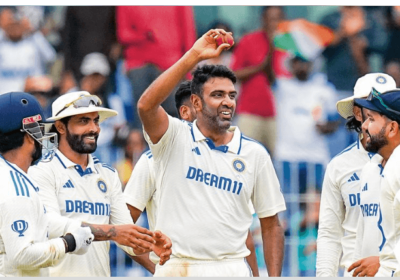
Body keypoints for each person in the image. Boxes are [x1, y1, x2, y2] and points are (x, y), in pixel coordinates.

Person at [137, 29, 286, 276]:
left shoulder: (254, 154)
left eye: (231, 95)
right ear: (196, 103)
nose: (227, 101)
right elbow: (146, 105)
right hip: (178, 269)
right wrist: (194, 55)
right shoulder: (174, 137)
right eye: (217, 95)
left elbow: (271, 225)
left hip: (232, 269)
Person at [28, 90, 172, 276]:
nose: (94, 129)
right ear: (61, 127)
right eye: (83, 121)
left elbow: (126, 234)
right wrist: (112, 232)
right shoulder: (41, 172)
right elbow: (50, 225)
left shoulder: (108, 175)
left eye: (95, 121)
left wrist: (152, 248)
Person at [124, 80, 260, 276]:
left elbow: (243, 234)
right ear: (186, 113)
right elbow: (124, 225)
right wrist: (160, 268)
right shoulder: (152, 162)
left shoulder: (228, 162)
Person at [0, 91, 94, 276]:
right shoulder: (16, 189)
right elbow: (21, 255)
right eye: (40, 131)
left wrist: (68, 227)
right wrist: (69, 243)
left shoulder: (8, 174)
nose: (44, 140)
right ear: (29, 136)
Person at [316, 73, 396, 276]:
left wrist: (387, 262)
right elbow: (329, 234)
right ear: (358, 113)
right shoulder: (341, 166)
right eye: (372, 110)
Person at [116, 6, 196, 129]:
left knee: (175, 117)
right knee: (142, 121)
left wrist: (188, 68)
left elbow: (188, 30)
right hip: (140, 64)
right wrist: (144, 35)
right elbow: (123, 34)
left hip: (171, 65)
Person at [230, 6, 290, 157]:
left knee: (280, 161)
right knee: (242, 159)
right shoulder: (248, 40)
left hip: (280, 115)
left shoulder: (289, 45)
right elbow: (233, 74)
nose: (275, 23)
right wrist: (259, 68)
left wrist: (272, 48)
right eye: (271, 18)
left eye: (278, 19)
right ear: (263, 19)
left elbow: (281, 79)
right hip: (250, 112)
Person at [354, 88, 400, 277]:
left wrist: (384, 263)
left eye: (371, 119)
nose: (364, 126)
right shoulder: (384, 166)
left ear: (392, 128)